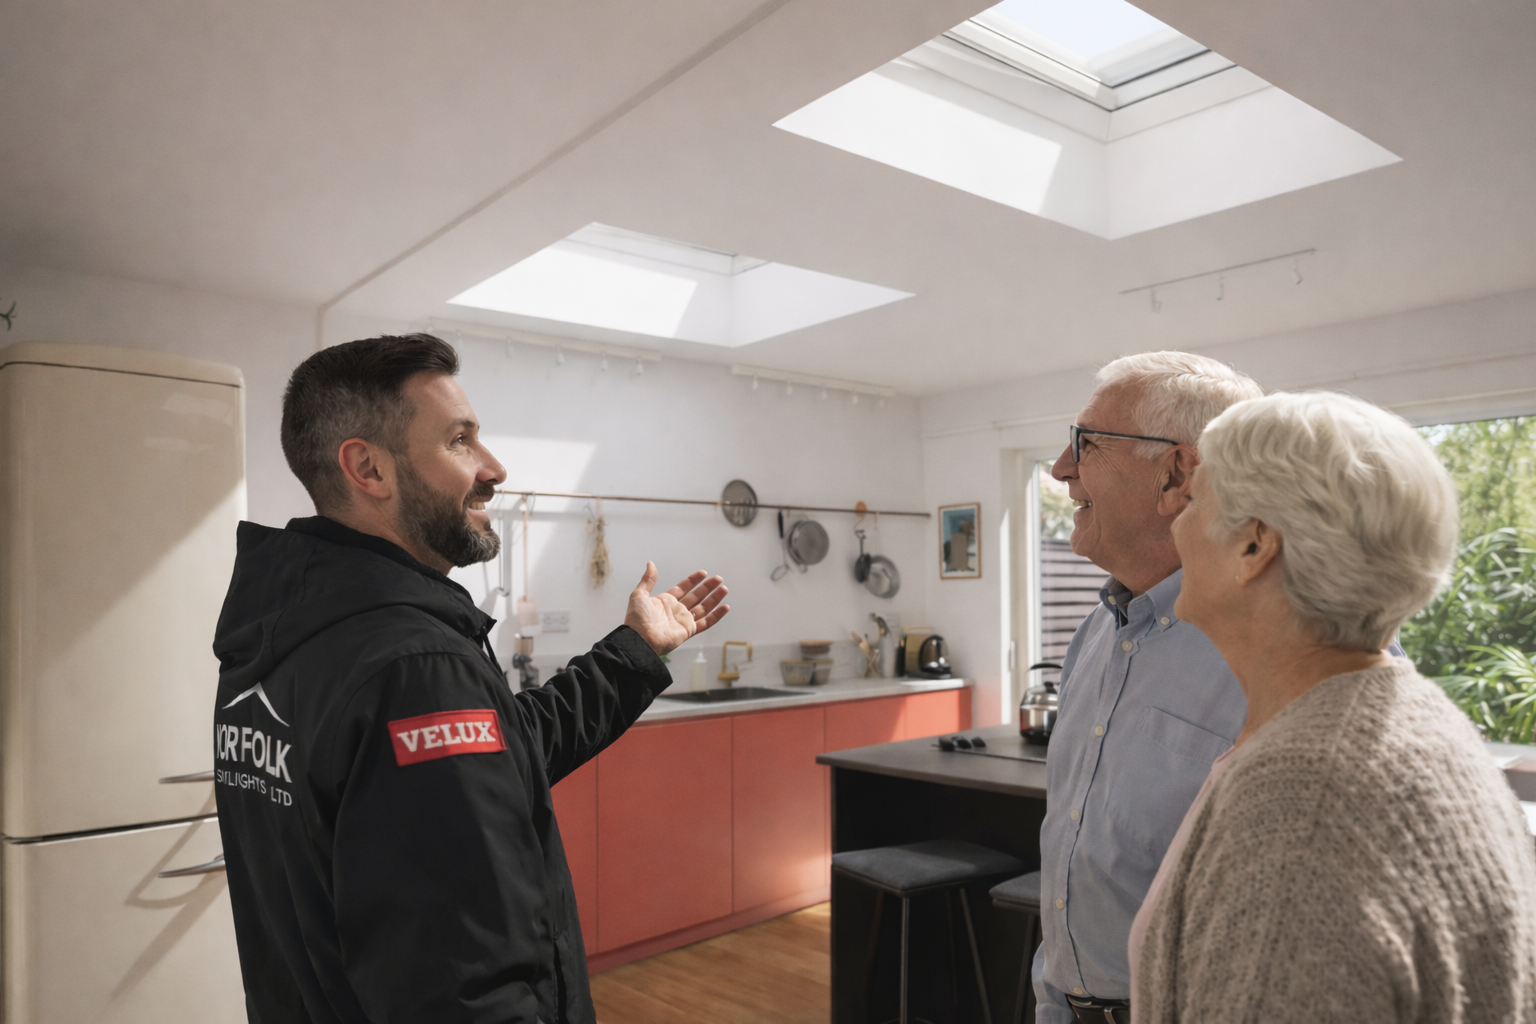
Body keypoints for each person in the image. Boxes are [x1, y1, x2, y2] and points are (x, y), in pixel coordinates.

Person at [212, 334, 730, 1024]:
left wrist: (635, 650)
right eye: (461, 441)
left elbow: (505, 756)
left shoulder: (289, 633)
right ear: (368, 467)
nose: (495, 467)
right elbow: (467, 980)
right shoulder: (413, 667)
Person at [1132, 390, 1536, 1022]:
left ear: (1254, 545)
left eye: (1193, 498)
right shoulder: (1415, 721)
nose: (1175, 520)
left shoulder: (1304, 798)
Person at [1035, 351, 1264, 1024]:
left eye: (1085, 443)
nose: (1059, 469)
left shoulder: (1285, 654)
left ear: (1175, 474)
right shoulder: (1094, 634)